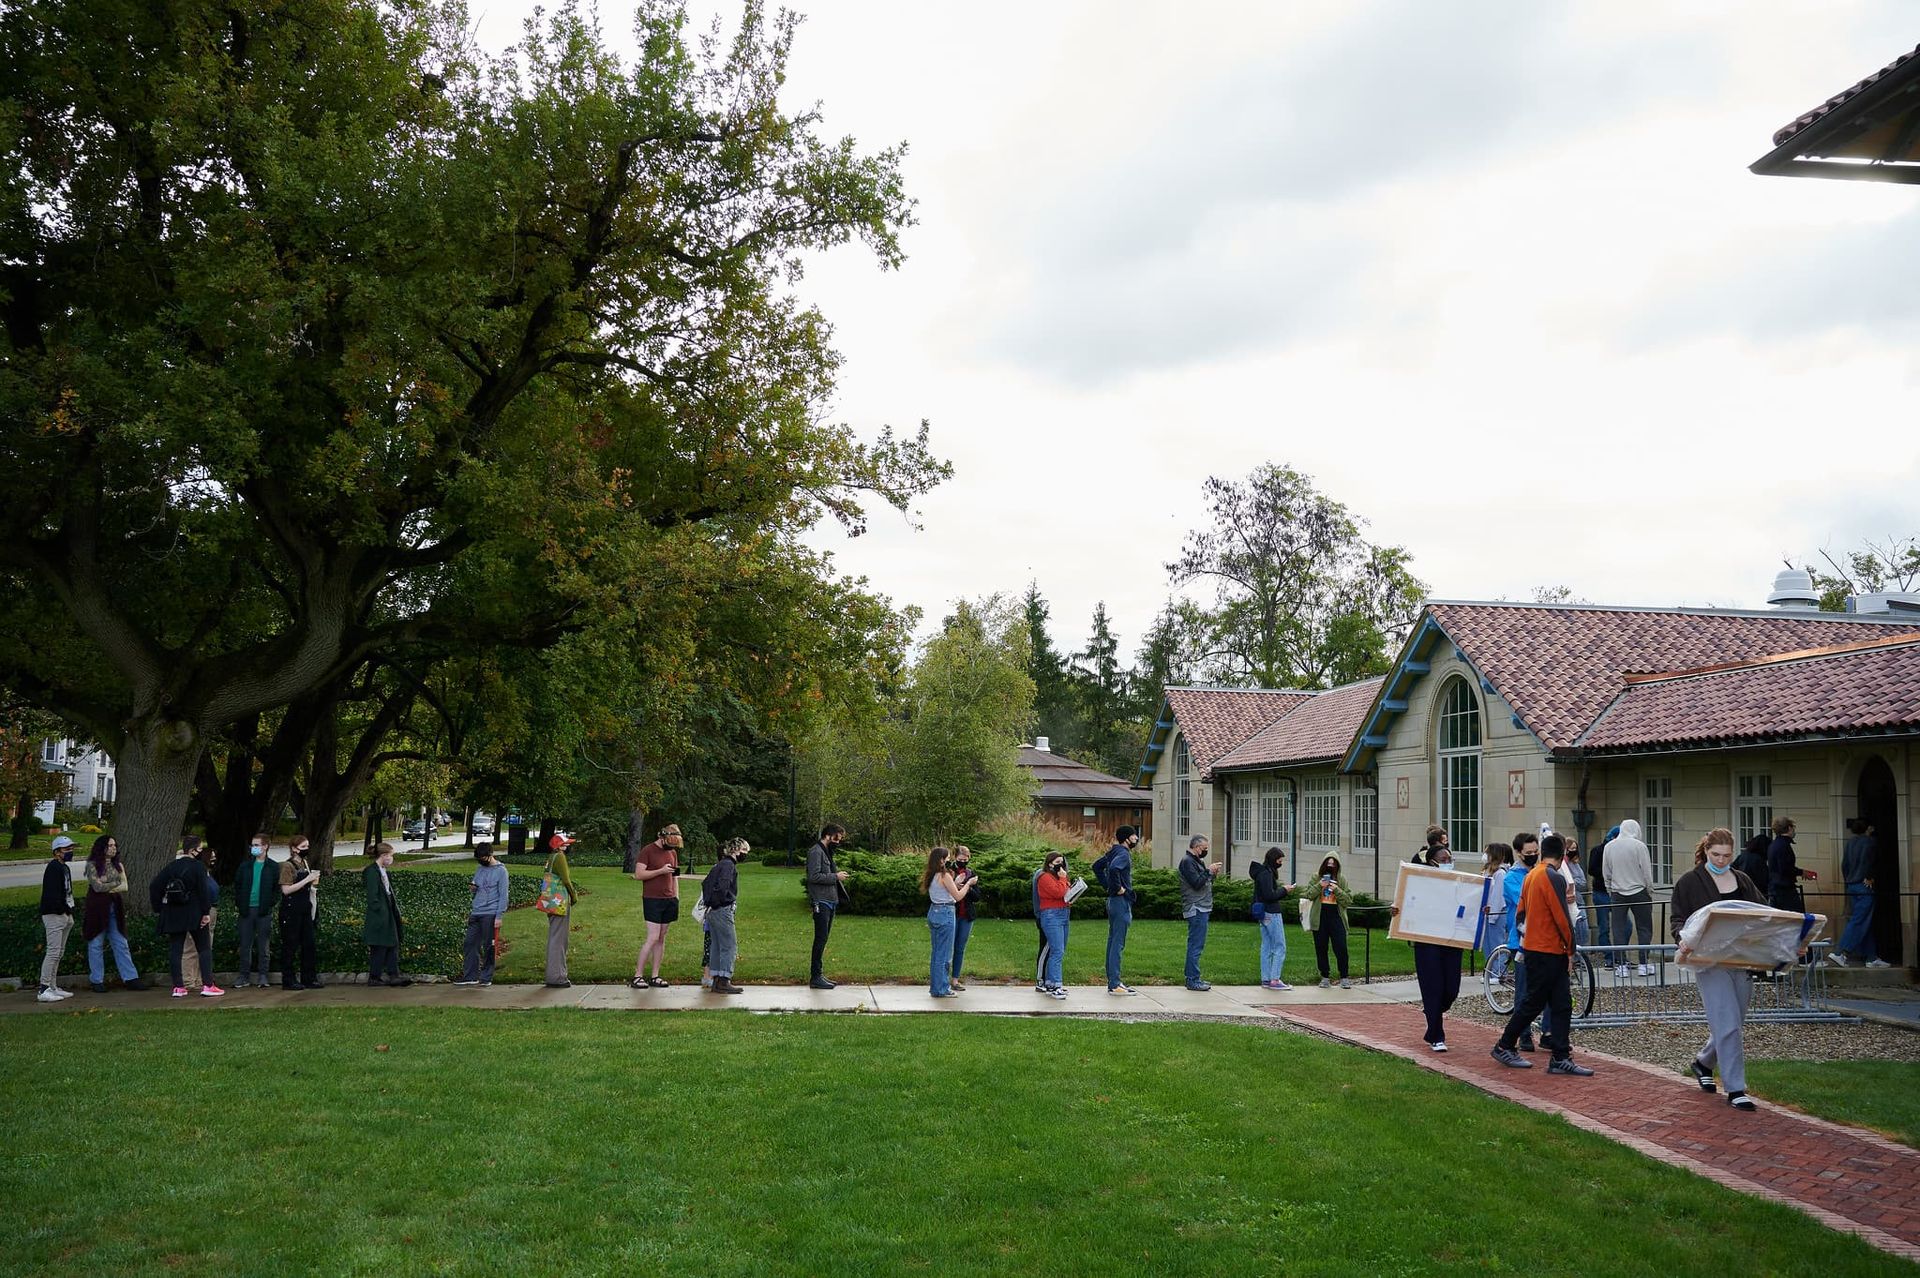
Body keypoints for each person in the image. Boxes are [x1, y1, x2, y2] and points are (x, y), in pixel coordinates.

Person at [1673, 827, 1769, 1110]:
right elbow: (1678, 919)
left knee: (1733, 1024)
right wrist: (1682, 940)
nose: (1721, 860)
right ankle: (1735, 1088)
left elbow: (1765, 913)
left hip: (1740, 959)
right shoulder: (1689, 882)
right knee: (1727, 1024)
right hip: (1708, 961)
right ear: (1705, 851)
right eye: (1716, 855)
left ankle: (1703, 1063)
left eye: (1727, 855)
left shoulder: (1742, 879)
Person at [1490, 835, 1592, 1076]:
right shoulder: (1552, 877)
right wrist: (1570, 949)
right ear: (1562, 857)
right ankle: (1505, 1045)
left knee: (1559, 1003)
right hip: (1549, 949)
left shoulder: (1531, 876)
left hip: (1536, 947)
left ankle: (1560, 1054)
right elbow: (1561, 916)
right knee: (1536, 1001)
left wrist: (1526, 942)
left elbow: (1521, 915)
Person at [1405, 827, 1463, 1051]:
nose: (1448, 861)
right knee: (1432, 987)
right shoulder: (1419, 884)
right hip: (1427, 940)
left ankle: (1434, 1011)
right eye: (1443, 858)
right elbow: (1407, 902)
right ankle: (1436, 1035)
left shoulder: (1458, 882)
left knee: (1451, 990)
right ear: (1432, 862)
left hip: (1451, 939)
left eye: (1449, 858)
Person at [150, 836, 223, 998]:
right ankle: (208, 984)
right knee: (203, 948)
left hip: (174, 913)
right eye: (200, 849)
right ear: (192, 850)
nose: (201, 852)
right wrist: (205, 912)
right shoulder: (198, 867)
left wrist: (159, 908)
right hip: (194, 913)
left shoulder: (172, 867)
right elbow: (203, 892)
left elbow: (154, 886)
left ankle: (178, 987)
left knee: (176, 949)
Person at [82, 836, 145, 992]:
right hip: (97, 909)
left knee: (121, 943)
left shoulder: (118, 865)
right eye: (109, 845)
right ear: (101, 847)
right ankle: (97, 980)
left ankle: (130, 978)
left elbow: (125, 887)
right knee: (96, 943)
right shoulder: (92, 865)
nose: (113, 848)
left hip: (114, 908)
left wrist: (108, 885)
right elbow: (97, 887)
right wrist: (115, 883)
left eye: (114, 845)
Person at [631, 822, 685, 989]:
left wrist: (676, 896)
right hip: (652, 899)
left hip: (669, 899)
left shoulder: (672, 853)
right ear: (661, 837)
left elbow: (675, 876)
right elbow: (638, 874)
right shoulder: (647, 851)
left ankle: (655, 975)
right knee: (653, 937)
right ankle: (637, 976)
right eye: (669, 843)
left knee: (661, 938)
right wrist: (659, 871)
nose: (671, 847)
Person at [1832, 818, 1891, 968]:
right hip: (1864, 885)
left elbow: (1844, 865)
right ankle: (1840, 952)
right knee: (1859, 920)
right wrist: (1870, 877)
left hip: (1852, 884)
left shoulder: (1850, 842)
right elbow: (1870, 861)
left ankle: (1871, 957)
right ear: (1868, 828)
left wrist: (1848, 881)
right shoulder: (1870, 841)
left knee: (1865, 921)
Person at [1606, 818, 1656, 977]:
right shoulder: (1639, 846)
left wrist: (1610, 889)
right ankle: (1643, 963)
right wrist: (1650, 888)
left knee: (1618, 929)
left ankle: (1621, 966)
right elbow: (1647, 871)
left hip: (1617, 892)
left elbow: (1606, 871)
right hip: (1639, 891)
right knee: (1645, 928)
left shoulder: (1609, 846)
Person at [1504, 832, 1540, 1050]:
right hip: (1520, 941)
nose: (1533, 856)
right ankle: (1523, 1034)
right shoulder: (1511, 878)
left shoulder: (1539, 872)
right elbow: (1527, 902)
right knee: (1524, 991)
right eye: (1529, 853)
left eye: (1536, 852)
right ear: (1519, 853)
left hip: (1541, 940)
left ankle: (1547, 1031)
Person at [923, 846, 974, 998]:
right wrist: (968, 884)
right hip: (945, 913)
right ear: (941, 860)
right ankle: (942, 988)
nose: (949, 859)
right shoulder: (944, 875)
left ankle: (936, 987)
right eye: (947, 857)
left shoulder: (931, 874)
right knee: (944, 954)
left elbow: (946, 889)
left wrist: (956, 882)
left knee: (937, 952)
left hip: (934, 911)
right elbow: (958, 896)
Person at [803, 823, 849, 990]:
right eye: (837, 838)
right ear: (828, 835)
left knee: (824, 939)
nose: (839, 841)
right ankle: (815, 976)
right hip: (821, 901)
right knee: (820, 938)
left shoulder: (826, 851)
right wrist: (835, 876)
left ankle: (819, 974)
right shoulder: (816, 852)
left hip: (830, 900)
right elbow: (813, 876)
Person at [702, 838, 750, 995]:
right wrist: (720, 902)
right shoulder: (729, 866)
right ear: (736, 850)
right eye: (744, 851)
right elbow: (723, 887)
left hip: (712, 911)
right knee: (729, 945)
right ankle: (724, 980)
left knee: (716, 945)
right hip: (722, 910)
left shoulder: (720, 864)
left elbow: (706, 883)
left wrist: (712, 903)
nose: (745, 854)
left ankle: (716, 979)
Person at [457, 842, 508, 987]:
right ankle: (470, 976)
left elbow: (503, 895)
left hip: (490, 913)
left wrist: (499, 916)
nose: (481, 861)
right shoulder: (480, 869)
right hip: (476, 911)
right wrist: (473, 888)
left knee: (488, 945)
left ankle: (486, 977)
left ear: (490, 855)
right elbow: (476, 884)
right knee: (470, 943)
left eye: (483, 858)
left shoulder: (501, 871)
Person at [362, 841, 412, 987]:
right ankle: (375, 976)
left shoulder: (383, 871)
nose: (392, 858)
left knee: (392, 944)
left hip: (388, 913)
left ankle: (393, 974)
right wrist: (380, 911)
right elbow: (373, 896)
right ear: (383, 855)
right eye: (390, 855)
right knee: (380, 945)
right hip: (380, 915)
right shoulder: (372, 872)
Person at [232, 834, 278, 988]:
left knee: (263, 944)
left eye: (257, 844)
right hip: (246, 910)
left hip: (263, 911)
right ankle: (244, 976)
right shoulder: (245, 866)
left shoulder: (272, 866)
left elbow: (276, 889)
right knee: (245, 944)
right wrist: (240, 903)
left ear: (265, 846)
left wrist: (269, 904)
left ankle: (263, 975)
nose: (254, 848)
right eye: (252, 845)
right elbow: (237, 885)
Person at [278, 834, 323, 990]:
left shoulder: (305, 863)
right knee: (290, 945)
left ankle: (309, 977)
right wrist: (306, 879)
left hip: (304, 908)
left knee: (308, 944)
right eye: (303, 847)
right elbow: (286, 890)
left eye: (307, 847)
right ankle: (289, 979)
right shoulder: (287, 866)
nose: (306, 850)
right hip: (291, 910)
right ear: (294, 849)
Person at [1249, 846, 1296, 991]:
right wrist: (1284, 890)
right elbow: (1270, 896)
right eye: (1279, 861)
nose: (1280, 863)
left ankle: (1266, 979)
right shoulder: (1266, 874)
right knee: (1279, 946)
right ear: (1273, 860)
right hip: (1271, 913)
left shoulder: (1261, 872)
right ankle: (1275, 979)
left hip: (1264, 914)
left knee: (1267, 947)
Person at [1178, 835, 1221, 992]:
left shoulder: (1197, 861)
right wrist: (1208, 871)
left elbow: (1204, 882)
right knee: (1195, 945)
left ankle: (1194, 977)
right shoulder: (1187, 862)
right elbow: (1196, 883)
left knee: (1197, 945)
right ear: (1196, 847)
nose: (1206, 851)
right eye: (1204, 849)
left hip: (1203, 907)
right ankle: (1192, 979)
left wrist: (1212, 874)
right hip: (1196, 908)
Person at [38, 835, 78, 1002]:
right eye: (66, 849)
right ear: (57, 852)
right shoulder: (53, 868)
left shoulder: (64, 868)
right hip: (54, 914)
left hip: (65, 913)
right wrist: (63, 910)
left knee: (59, 952)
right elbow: (52, 894)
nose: (70, 851)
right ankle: (44, 988)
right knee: (53, 952)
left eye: (71, 848)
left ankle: (53, 986)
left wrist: (70, 911)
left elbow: (67, 891)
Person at [1308, 854, 1352, 989]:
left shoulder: (1342, 879)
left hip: (1336, 916)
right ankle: (1325, 976)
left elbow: (1348, 900)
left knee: (1341, 947)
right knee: (1321, 947)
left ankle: (1344, 976)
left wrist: (1336, 889)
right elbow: (1308, 894)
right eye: (1328, 863)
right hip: (1320, 916)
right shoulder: (1316, 877)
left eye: (1333, 864)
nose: (1330, 866)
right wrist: (1320, 886)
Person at [178, 840, 218, 989]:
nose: (213, 860)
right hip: (198, 911)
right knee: (191, 946)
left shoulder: (207, 873)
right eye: (211, 857)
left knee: (206, 948)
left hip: (211, 910)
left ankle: (202, 979)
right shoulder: (195, 871)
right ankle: (189, 980)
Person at [540, 833, 578, 987]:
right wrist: (574, 896)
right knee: (559, 939)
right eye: (565, 844)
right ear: (558, 846)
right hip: (560, 902)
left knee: (555, 936)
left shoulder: (551, 857)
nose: (567, 846)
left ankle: (554, 974)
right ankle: (557, 976)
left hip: (550, 902)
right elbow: (566, 880)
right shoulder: (560, 857)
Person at [1034, 851, 1072, 999]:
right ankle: (1056, 984)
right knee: (1057, 950)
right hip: (1051, 915)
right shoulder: (1044, 877)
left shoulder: (1059, 877)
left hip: (1064, 913)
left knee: (1060, 948)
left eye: (1062, 862)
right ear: (1050, 864)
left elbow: (1066, 891)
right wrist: (1063, 880)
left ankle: (1050, 982)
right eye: (1057, 862)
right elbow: (1059, 892)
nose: (1060, 865)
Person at [1481, 843, 1513, 980]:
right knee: (1487, 944)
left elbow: (1498, 896)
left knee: (1497, 942)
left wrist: (1493, 914)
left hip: (1497, 913)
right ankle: (1490, 970)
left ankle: (1500, 971)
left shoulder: (1500, 873)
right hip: (1488, 913)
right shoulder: (1489, 872)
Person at [949, 845, 978, 991]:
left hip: (966, 915)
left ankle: (955, 979)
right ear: (955, 858)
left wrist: (968, 887)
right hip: (951, 914)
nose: (963, 862)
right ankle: (942, 978)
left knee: (960, 948)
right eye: (960, 859)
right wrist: (956, 886)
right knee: (948, 947)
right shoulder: (949, 872)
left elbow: (977, 897)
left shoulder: (971, 873)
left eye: (966, 860)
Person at [1766, 817, 1804, 912]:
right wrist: (1801, 872)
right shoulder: (1784, 846)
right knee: (1796, 919)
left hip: (1774, 888)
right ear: (1790, 828)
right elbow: (1786, 868)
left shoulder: (1773, 845)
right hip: (1785, 890)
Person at [1589, 825, 1617, 955]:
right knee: (1604, 927)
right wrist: (1607, 874)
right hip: (1601, 892)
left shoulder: (1618, 851)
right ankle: (1608, 957)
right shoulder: (1597, 851)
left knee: (1625, 926)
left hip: (1615, 892)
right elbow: (1591, 870)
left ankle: (1619, 956)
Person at [1733, 833, 1771, 902]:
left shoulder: (1743, 855)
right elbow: (1763, 880)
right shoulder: (1759, 860)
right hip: (1755, 892)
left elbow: (1733, 868)